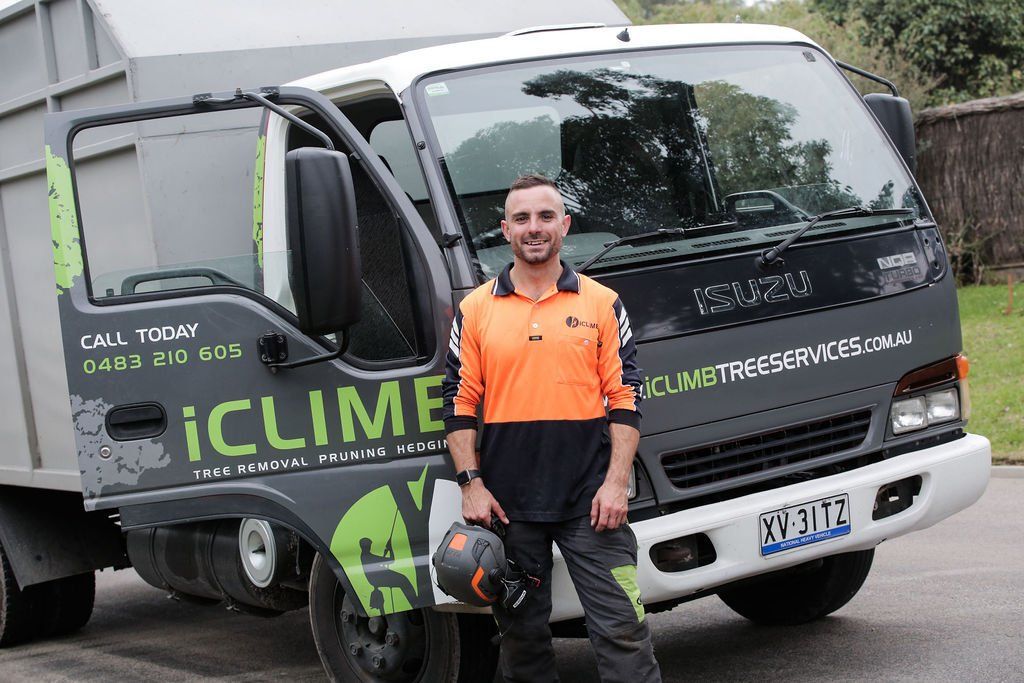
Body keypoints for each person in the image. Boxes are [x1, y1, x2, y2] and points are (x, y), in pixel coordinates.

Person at [442, 174, 661, 682]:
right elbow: (458, 404)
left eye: (544, 217)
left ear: (564, 225)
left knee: (624, 630)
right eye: (521, 218)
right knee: (523, 644)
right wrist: (471, 486)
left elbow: (625, 400)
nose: (533, 228)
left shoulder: (602, 303)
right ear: (505, 229)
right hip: (507, 507)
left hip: (593, 502)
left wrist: (615, 483)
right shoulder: (474, 311)